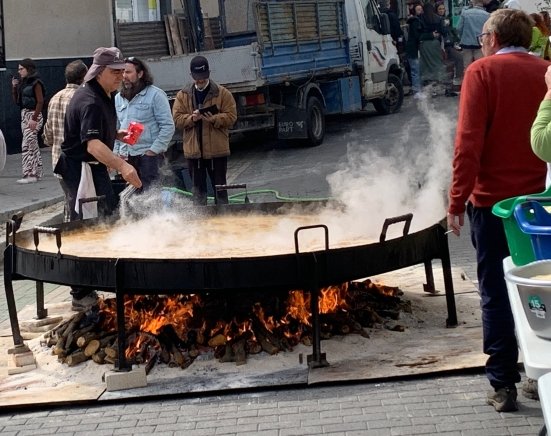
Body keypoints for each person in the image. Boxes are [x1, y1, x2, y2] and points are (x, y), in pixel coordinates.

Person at [447, 9, 549, 413]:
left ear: (490, 38)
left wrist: (456, 201)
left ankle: (502, 383)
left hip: (493, 207)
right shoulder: (547, 71)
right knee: (541, 289)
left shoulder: (481, 73)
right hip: (542, 206)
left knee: (495, 290)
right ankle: (539, 374)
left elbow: (467, 144)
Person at [54, 47, 142, 311]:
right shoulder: (89, 100)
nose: (121, 76)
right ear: (98, 72)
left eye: (121, 71)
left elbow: (97, 131)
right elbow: (92, 144)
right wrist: (124, 166)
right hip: (80, 169)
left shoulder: (104, 94)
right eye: (115, 72)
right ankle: (80, 292)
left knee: (109, 216)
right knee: (86, 226)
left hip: (94, 167)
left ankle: (109, 278)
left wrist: (117, 135)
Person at [172, 55, 237, 205]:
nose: (200, 80)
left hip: (217, 151)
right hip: (194, 152)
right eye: (197, 78)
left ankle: (224, 217)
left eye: (203, 77)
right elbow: (177, 119)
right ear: (191, 76)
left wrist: (213, 118)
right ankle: (200, 221)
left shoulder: (222, 93)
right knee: (198, 193)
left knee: (220, 189)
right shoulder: (183, 95)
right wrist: (191, 119)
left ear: (209, 73)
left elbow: (232, 117)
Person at [114, 57, 175, 190]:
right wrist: (117, 154)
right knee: (131, 197)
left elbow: (168, 126)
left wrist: (153, 151)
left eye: (128, 72)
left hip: (149, 157)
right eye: (122, 72)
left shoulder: (156, 95)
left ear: (140, 74)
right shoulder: (118, 98)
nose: (124, 76)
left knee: (152, 197)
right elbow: (117, 128)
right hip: (127, 157)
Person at [43, 60, 88, 222]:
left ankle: (68, 227)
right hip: (77, 161)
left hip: (58, 160)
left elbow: (48, 134)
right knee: (80, 202)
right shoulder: (82, 98)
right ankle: (74, 232)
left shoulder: (55, 98)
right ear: (84, 76)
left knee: (69, 198)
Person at [11, 58, 46, 184]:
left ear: (28, 69)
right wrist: (14, 88)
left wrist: (34, 118)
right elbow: (18, 102)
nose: (19, 71)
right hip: (25, 114)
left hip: (32, 115)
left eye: (21, 69)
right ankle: (37, 172)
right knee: (32, 144)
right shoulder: (23, 83)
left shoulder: (36, 83)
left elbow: (40, 101)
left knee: (27, 144)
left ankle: (29, 173)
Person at [418, 3, 446, 95]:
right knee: (436, 64)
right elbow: (443, 31)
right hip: (435, 44)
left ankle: (428, 88)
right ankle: (437, 86)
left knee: (426, 66)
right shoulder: (438, 18)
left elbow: (418, 34)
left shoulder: (420, 18)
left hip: (424, 45)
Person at [436, 1, 464, 93]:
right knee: (451, 63)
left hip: (449, 45)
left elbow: (451, 31)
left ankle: (451, 85)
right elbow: (443, 32)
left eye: (443, 9)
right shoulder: (437, 20)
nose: (441, 10)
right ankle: (450, 85)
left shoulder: (446, 19)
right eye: (439, 9)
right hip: (442, 46)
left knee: (452, 63)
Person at [457, 0, 490, 73]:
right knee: (479, 66)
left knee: (467, 66)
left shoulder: (465, 13)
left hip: (466, 43)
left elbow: (459, 28)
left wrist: (461, 37)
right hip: (480, 44)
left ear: (473, 3)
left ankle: (467, 82)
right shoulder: (487, 15)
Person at [405, 3, 425, 98]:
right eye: (418, 10)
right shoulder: (416, 22)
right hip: (414, 49)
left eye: (421, 9)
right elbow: (417, 36)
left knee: (415, 70)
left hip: (412, 49)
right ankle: (417, 91)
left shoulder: (413, 21)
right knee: (416, 70)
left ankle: (417, 89)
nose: (420, 11)